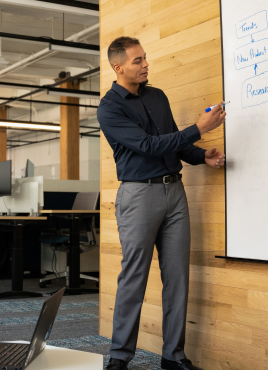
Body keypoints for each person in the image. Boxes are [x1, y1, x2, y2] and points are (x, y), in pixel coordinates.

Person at [98, 37, 226, 370]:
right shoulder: (109, 107)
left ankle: (173, 356)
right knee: (134, 276)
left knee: (177, 276)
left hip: (175, 193)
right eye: (138, 60)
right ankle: (119, 357)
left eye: (145, 59)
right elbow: (148, 145)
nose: (145, 64)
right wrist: (198, 128)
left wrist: (201, 156)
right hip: (139, 196)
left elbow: (173, 147)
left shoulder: (157, 96)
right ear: (119, 67)